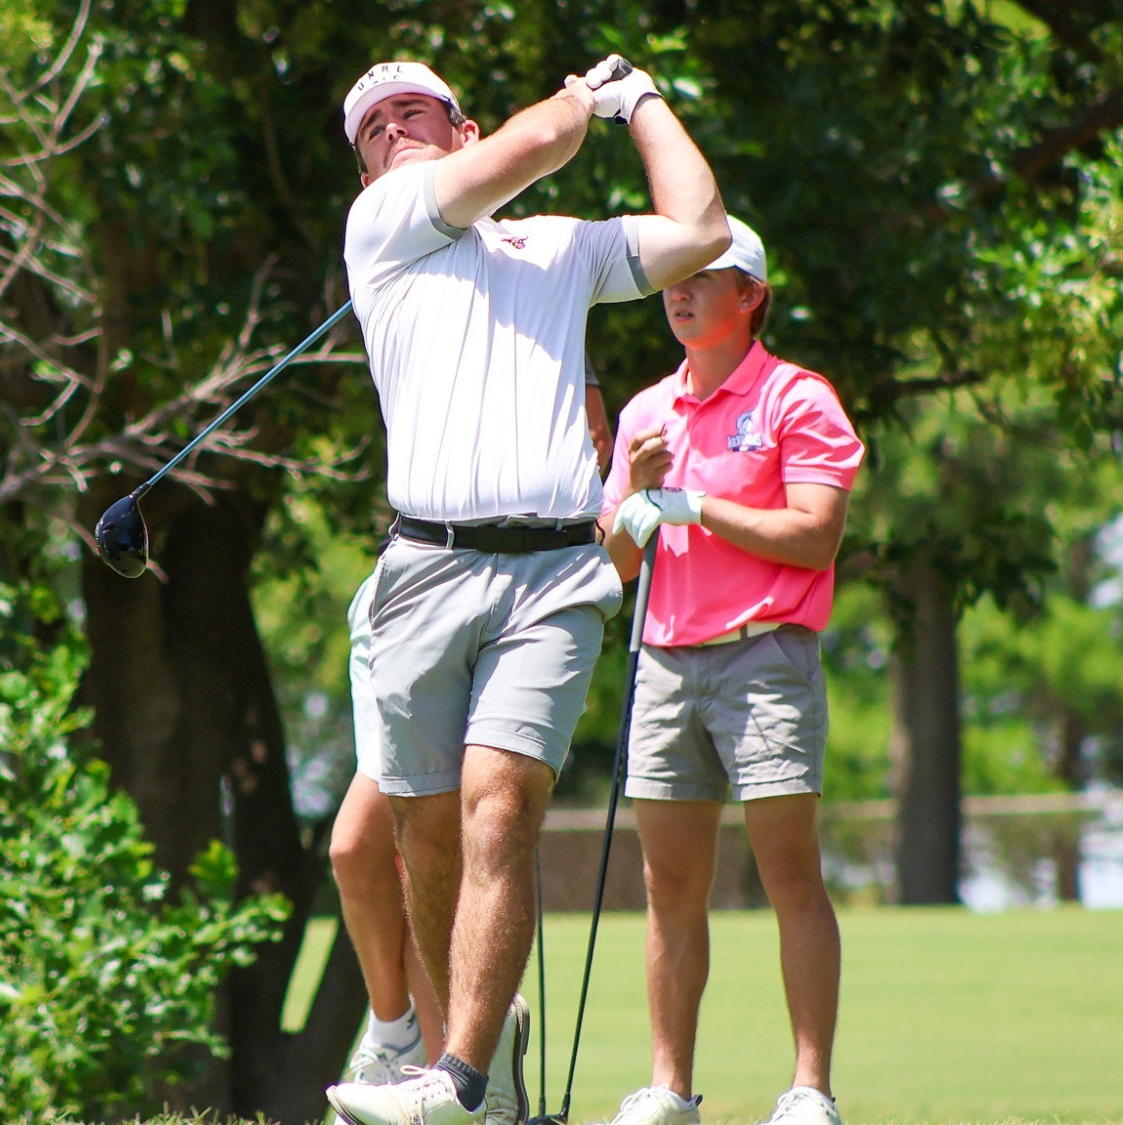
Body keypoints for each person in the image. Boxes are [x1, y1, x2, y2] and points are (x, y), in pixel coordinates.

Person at [325, 56, 730, 1125]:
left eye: (413, 113)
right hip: (424, 568)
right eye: (371, 129)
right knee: (424, 833)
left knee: (497, 808)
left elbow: (697, 230)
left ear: (459, 130)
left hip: (553, 573)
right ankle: (481, 1054)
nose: (392, 134)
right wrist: (578, 100)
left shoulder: (555, 244)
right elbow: (536, 143)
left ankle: (454, 1080)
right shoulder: (384, 224)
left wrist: (638, 98)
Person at [596, 217, 864, 1125]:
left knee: (789, 869)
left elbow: (815, 533)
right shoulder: (644, 413)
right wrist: (635, 496)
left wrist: (698, 504)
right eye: (674, 277)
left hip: (764, 655)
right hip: (664, 660)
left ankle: (808, 1089)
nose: (681, 290)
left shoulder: (798, 398)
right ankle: (670, 1088)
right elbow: (614, 567)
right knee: (668, 885)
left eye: (705, 277)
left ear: (750, 296)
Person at [331, 376, 612, 1100]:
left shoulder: (577, 476)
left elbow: (604, 545)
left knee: (456, 836)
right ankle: (400, 1038)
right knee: (363, 846)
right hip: (412, 599)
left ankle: (456, 1072)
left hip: (522, 611)